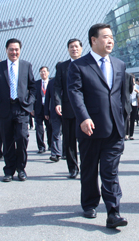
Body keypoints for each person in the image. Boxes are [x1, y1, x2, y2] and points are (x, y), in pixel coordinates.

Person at [67, 23, 128, 228]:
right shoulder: (78, 65)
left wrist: (124, 121)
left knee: (110, 171)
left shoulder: (119, 64)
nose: (110, 40)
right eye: (105, 37)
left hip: (114, 128)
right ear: (94, 40)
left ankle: (113, 212)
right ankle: (90, 203)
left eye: (111, 37)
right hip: (90, 128)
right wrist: (83, 117)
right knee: (90, 169)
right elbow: (75, 93)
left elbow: (122, 96)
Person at [0, 38, 36, 182]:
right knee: (8, 140)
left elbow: (33, 87)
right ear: (6, 50)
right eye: (11, 49)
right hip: (4, 109)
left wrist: (29, 103)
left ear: (20, 51)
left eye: (16, 49)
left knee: (22, 138)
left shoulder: (26, 65)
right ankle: (9, 170)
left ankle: (21, 169)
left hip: (21, 108)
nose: (14, 52)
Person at [53, 38, 83, 178]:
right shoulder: (62, 67)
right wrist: (58, 102)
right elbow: (57, 87)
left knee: (85, 140)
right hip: (68, 108)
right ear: (68, 49)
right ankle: (72, 168)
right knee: (69, 140)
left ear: (81, 49)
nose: (74, 49)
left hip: (86, 109)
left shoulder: (88, 63)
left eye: (76, 46)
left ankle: (86, 166)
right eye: (71, 47)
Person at [34, 66, 52, 154]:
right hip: (38, 109)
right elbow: (33, 96)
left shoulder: (51, 83)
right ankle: (41, 146)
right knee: (39, 128)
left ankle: (51, 145)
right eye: (41, 72)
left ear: (48, 73)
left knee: (49, 127)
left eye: (44, 72)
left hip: (48, 109)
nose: (43, 73)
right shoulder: (36, 84)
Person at [127, 74, 139, 140]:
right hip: (128, 103)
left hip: (134, 103)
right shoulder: (127, 85)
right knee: (127, 119)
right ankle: (126, 133)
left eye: (133, 78)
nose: (132, 80)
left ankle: (131, 134)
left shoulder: (137, 86)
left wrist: (137, 92)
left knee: (132, 119)